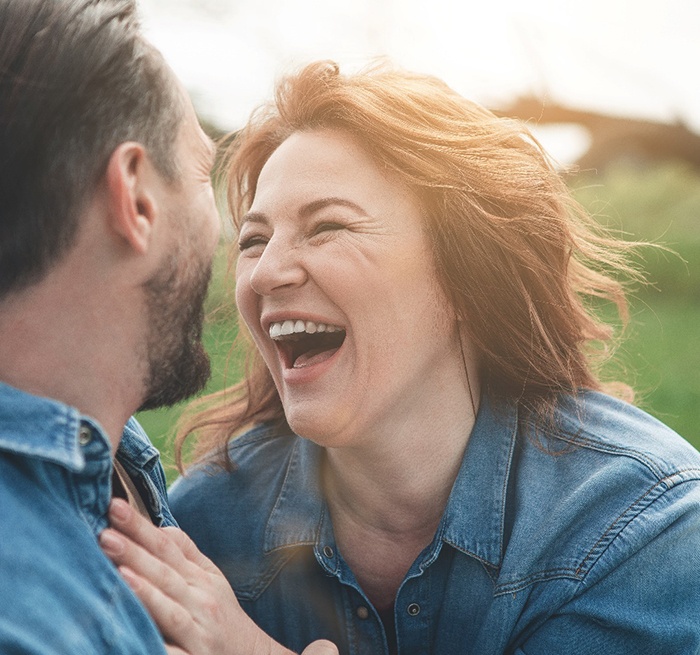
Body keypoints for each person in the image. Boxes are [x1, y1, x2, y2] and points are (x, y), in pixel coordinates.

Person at [103, 61, 700, 654]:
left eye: (328, 226)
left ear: (468, 275)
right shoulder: (204, 526)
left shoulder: (637, 526)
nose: (267, 273)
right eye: (255, 240)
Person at [0, 2, 336, 654]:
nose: (250, 259)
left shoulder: (112, 455)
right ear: (137, 197)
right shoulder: (37, 623)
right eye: (204, 173)